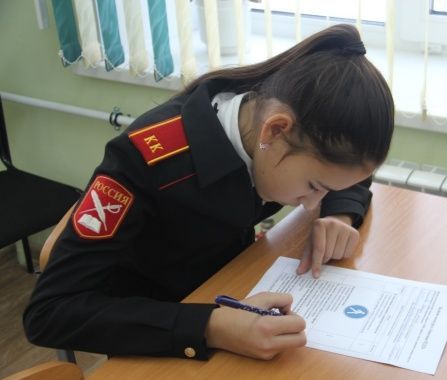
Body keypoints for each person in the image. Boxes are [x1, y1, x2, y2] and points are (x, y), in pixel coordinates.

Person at [23, 24, 394, 361]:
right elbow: (50, 312)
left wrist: (339, 213)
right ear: (275, 131)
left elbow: (347, 172)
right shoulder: (144, 163)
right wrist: (210, 327)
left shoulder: (265, 113)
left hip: (234, 289)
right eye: (314, 188)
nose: (311, 205)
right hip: (159, 334)